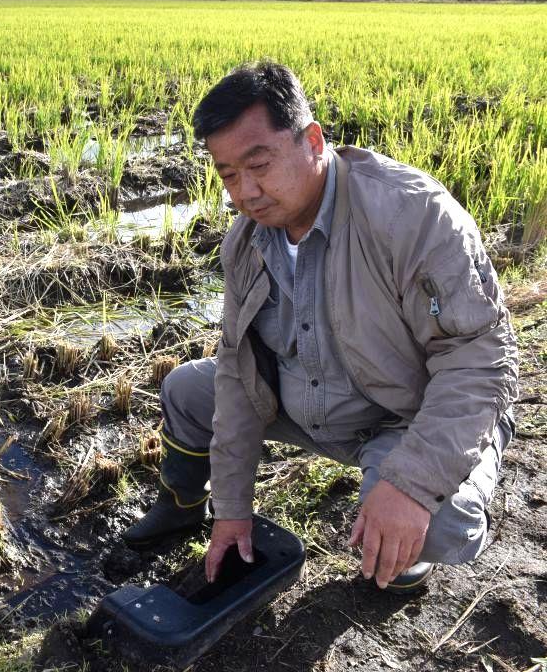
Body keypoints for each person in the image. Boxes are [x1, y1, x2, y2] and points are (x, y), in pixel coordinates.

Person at [122, 61, 518, 592]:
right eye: (228, 175)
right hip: (310, 403)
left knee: (438, 522)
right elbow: (239, 371)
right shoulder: (248, 240)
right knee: (188, 389)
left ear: (312, 140)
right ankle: (183, 506)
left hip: (403, 415)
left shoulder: (412, 216)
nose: (245, 192)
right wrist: (233, 509)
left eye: (258, 165)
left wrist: (411, 484)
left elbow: (480, 361)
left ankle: (408, 537)